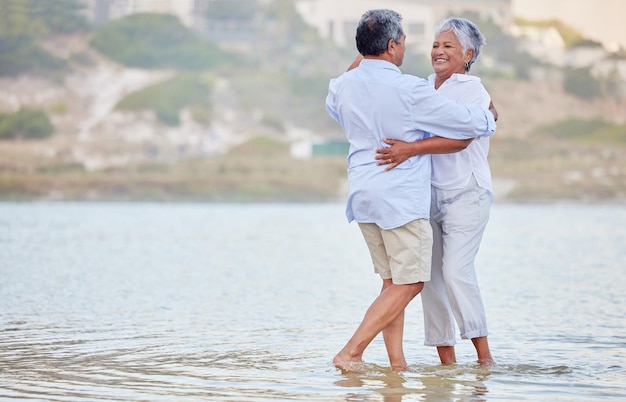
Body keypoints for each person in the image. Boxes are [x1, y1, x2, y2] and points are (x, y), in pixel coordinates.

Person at [325, 9, 496, 371]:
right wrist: (488, 116)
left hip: (363, 197)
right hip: (400, 200)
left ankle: (397, 366)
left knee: (391, 283)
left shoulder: (342, 86)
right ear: (391, 45)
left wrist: (366, 49)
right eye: (402, 40)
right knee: (412, 282)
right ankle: (351, 352)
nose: (408, 46)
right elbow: (469, 123)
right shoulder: (410, 89)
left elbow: (338, 95)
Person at [375, 17, 496, 366]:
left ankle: (485, 360)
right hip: (428, 195)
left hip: (466, 193)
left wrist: (409, 150)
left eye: (448, 46)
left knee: (457, 272)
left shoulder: (473, 88)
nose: (438, 52)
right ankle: (447, 363)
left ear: (468, 54)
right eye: (435, 45)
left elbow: (462, 139)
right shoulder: (423, 87)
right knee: (431, 280)